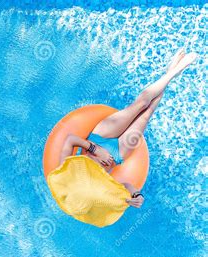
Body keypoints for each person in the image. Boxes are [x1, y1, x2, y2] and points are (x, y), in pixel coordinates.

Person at [58, 49, 197, 208]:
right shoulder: (96, 196)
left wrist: (96, 149)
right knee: (147, 113)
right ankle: (170, 72)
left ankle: (174, 71)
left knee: (142, 104)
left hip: (99, 138)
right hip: (118, 153)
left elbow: (70, 140)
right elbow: (124, 186)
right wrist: (135, 195)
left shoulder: (65, 174)